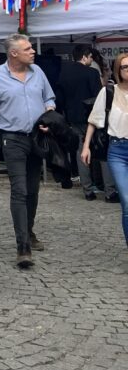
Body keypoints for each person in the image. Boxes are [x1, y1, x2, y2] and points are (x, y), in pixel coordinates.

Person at [0, 33, 56, 268]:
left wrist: (49, 115)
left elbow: (49, 98)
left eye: (31, 48)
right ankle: (22, 245)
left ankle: (30, 231)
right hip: (11, 139)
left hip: (36, 137)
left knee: (33, 190)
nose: (33, 51)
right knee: (19, 190)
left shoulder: (38, 73)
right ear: (14, 53)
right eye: (27, 49)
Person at [57, 45, 115, 201]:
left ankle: (88, 190)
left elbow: (60, 99)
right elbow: (99, 97)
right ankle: (109, 191)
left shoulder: (64, 73)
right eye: (90, 57)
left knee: (81, 152)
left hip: (73, 118)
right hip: (92, 118)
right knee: (102, 151)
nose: (91, 60)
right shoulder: (91, 73)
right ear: (85, 56)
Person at [81, 52, 128, 247]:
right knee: (126, 202)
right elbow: (93, 120)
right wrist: (86, 147)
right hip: (117, 151)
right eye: (126, 67)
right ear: (119, 70)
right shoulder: (108, 92)